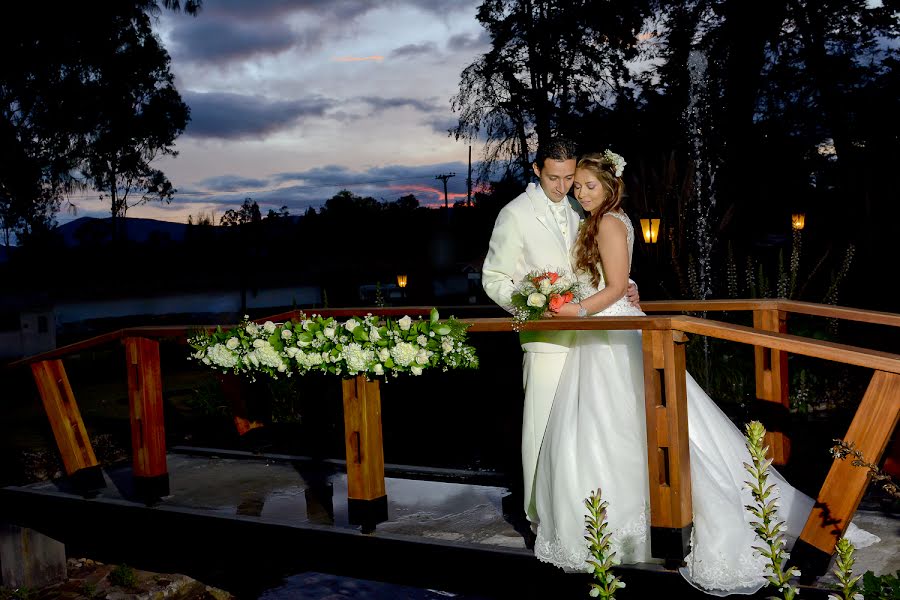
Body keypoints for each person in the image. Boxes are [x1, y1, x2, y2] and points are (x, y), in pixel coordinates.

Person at [532, 151, 879, 595]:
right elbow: (618, 285)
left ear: (611, 186)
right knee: (615, 428)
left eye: (589, 186)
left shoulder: (607, 222)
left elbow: (617, 287)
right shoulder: (611, 220)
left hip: (608, 332)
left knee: (624, 426)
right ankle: (618, 527)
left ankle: (644, 526)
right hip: (604, 329)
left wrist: (573, 311)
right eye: (577, 186)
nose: (581, 193)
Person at [481, 137, 639, 530]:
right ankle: (540, 519)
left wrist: (625, 285)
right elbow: (494, 278)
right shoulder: (514, 214)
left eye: (570, 178)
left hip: (592, 338)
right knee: (543, 430)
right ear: (536, 170)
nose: (563, 186)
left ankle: (585, 516)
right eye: (554, 178)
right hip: (548, 341)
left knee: (588, 435)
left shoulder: (580, 206)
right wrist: (534, 307)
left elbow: (596, 266)